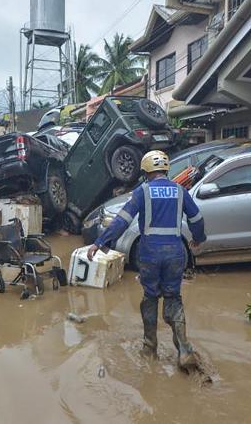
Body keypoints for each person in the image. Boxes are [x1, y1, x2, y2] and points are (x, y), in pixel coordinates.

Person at [87, 150, 206, 368]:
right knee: (174, 298)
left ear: (146, 171)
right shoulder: (180, 191)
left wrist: (100, 242)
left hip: (150, 253)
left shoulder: (142, 192)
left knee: (150, 297)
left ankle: (149, 348)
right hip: (175, 252)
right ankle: (184, 350)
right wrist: (198, 239)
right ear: (165, 169)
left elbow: (122, 221)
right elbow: (197, 218)